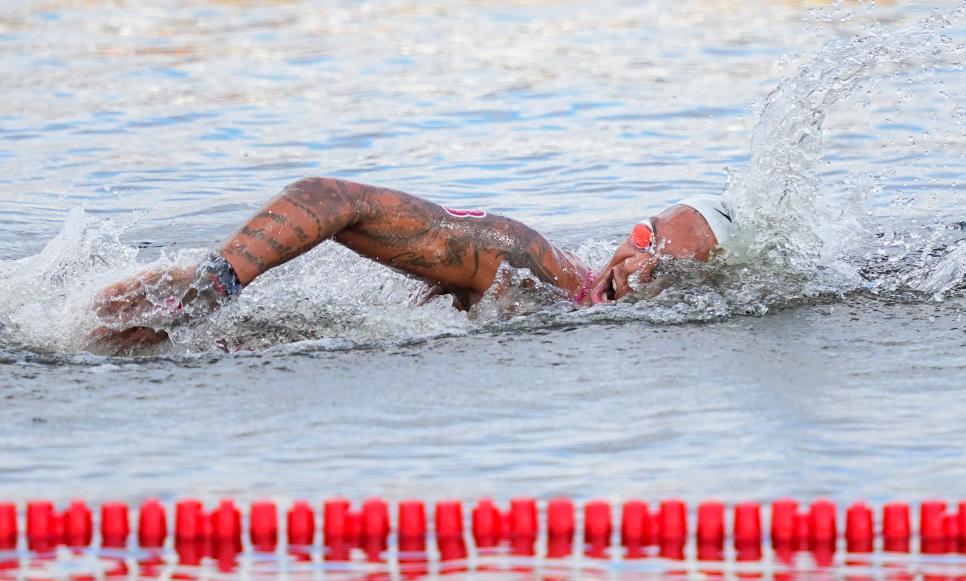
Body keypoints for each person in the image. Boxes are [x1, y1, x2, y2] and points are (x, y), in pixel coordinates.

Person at [89, 177, 733, 353]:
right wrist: (215, 285)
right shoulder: (523, 263)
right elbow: (329, 197)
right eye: (645, 239)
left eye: (667, 268)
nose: (639, 267)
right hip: (179, 319)